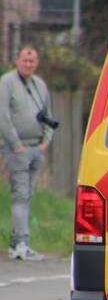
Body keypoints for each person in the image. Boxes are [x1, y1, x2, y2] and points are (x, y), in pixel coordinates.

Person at [0, 45, 54, 260]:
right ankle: (20, 243)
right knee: (20, 196)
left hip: (36, 148)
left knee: (28, 195)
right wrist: (16, 144)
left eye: (32, 61)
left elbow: (49, 115)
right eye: (25, 60)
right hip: (18, 148)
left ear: (37, 62)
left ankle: (20, 241)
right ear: (17, 60)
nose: (28, 64)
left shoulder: (40, 85)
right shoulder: (7, 82)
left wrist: (45, 143)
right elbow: (3, 116)